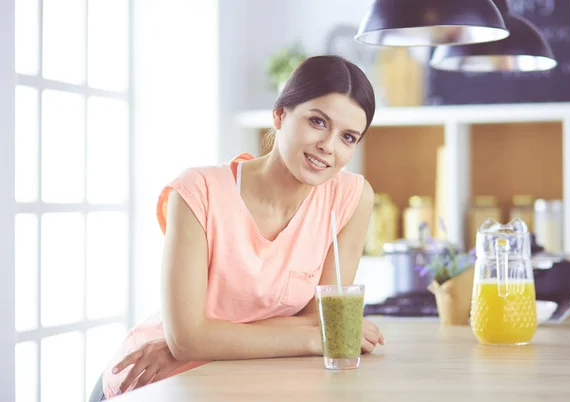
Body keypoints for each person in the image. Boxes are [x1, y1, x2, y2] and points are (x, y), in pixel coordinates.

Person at [89, 54, 384, 401]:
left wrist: (206, 339)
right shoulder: (198, 190)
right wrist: (317, 337)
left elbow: (318, 317)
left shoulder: (351, 198)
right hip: (156, 382)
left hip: (246, 381)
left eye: (348, 137)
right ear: (279, 115)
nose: (329, 146)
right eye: (318, 121)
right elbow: (186, 338)